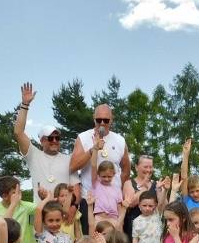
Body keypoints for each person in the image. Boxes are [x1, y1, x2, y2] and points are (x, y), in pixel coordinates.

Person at [14, 82, 80, 214]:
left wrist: (74, 207)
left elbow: (76, 188)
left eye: (57, 138)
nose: (54, 141)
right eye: (50, 138)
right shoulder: (34, 155)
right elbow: (18, 132)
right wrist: (25, 105)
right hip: (40, 215)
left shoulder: (69, 159)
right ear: (42, 140)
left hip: (63, 215)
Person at [69, 103, 131, 234]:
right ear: (93, 118)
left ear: (112, 120)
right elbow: (73, 166)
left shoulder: (120, 140)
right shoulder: (83, 137)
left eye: (106, 120)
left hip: (114, 203)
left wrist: (117, 189)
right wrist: (93, 149)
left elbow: (126, 169)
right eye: (99, 120)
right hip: (90, 201)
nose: (102, 123)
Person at [90, 133, 125, 227]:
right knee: (98, 240)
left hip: (113, 219)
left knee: (113, 241)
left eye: (109, 177)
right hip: (99, 218)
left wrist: (120, 224)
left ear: (114, 174)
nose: (106, 179)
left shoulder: (117, 189)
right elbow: (93, 165)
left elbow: (119, 208)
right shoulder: (96, 184)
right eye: (103, 176)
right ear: (98, 175)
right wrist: (95, 149)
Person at [123, 154, 158, 243]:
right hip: (134, 229)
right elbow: (130, 203)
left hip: (152, 230)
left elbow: (163, 206)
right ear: (136, 167)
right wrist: (144, 186)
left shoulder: (156, 184)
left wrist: (164, 191)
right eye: (145, 167)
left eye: (151, 167)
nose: (148, 170)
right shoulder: (129, 183)